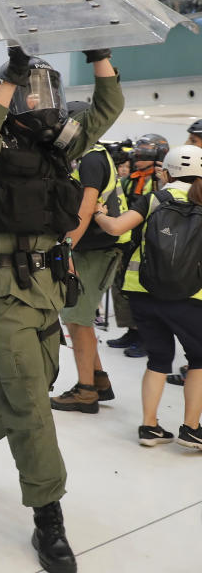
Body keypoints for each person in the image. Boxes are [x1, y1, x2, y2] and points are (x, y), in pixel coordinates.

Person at [0, 45, 123, 573]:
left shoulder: (60, 147)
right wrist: (6, 81)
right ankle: (48, 514)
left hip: (49, 282)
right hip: (4, 286)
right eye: (30, 89)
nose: (42, 100)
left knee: (36, 382)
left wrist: (101, 56)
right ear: (14, 93)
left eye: (47, 89)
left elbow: (106, 109)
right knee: (31, 405)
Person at [92, 144, 202, 450]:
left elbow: (116, 228)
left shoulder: (155, 198)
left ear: (166, 172)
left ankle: (149, 427)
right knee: (199, 361)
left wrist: (99, 212)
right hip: (192, 297)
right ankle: (192, 430)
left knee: (158, 360)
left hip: (143, 292)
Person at [50, 102, 130, 414]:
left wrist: (66, 247)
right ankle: (98, 380)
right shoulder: (87, 157)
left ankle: (85, 393)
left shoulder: (92, 159)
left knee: (76, 319)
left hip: (95, 250)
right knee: (78, 318)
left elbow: (86, 209)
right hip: (96, 248)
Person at [107, 133, 169, 356]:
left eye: (143, 151)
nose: (136, 154)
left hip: (151, 244)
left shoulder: (161, 180)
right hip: (127, 241)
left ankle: (147, 337)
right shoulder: (130, 179)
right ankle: (132, 330)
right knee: (122, 286)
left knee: (145, 292)